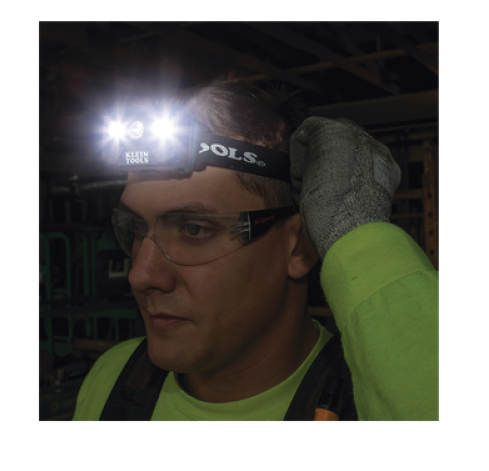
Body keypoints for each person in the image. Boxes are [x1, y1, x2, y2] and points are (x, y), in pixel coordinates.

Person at [72, 76, 439, 422]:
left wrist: (356, 233)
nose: (141, 275)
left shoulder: (375, 396)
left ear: (300, 246)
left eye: (194, 230)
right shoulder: (114, 377)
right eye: (136, 227)